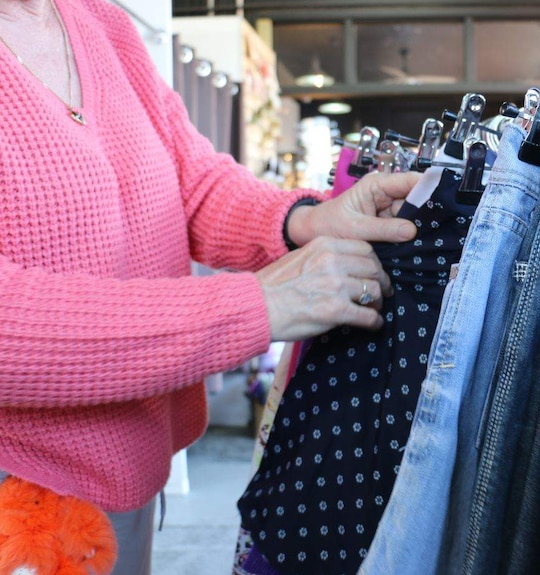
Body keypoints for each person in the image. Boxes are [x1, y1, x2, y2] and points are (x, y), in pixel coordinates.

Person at [0, 0, 421, 573]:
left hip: (129, 477)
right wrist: (253, 306)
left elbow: (193, 182)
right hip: (19, 488)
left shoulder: (100, 21)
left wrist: (302, 220)